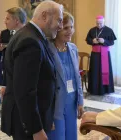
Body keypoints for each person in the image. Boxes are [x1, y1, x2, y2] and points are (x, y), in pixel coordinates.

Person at [1, 1, 63, 140]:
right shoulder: (30, 41)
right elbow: (25, 91)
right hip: (27, 124)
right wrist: (36, 129)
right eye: (59, 20)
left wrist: (47, 118)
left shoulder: (33, 36)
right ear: (45, 16)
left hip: (35, 117)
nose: (60, 26)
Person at [46, 12, 84, 140]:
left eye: (71, 27)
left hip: (72, 101)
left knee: (71, 135)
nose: (70, 31)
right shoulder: (47, 49)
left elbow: (77, 77)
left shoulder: (73, 48)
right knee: (58, 136)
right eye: (66, 28)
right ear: (57, 28)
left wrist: (80, 101)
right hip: (56, 103)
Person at [0, 7, 27, 99]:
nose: (5, 21)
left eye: (8, 18)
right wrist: (5, 85)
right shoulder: (8, 33)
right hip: (9, 75)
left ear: (16, 20)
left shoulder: (27, 36)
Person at [85, 15, 116, 95]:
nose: (99, 25)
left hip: (105, 53)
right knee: (95, 71)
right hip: (95, 54)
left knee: (104, 71)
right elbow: (87, 40)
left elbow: (112, 42)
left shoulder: (109, 30)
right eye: (97, 23)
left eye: (100, 23)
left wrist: (104, 41)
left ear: (104, 22)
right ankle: (94, 89)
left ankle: (105, 89)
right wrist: (92, 41)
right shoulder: (92, 30)